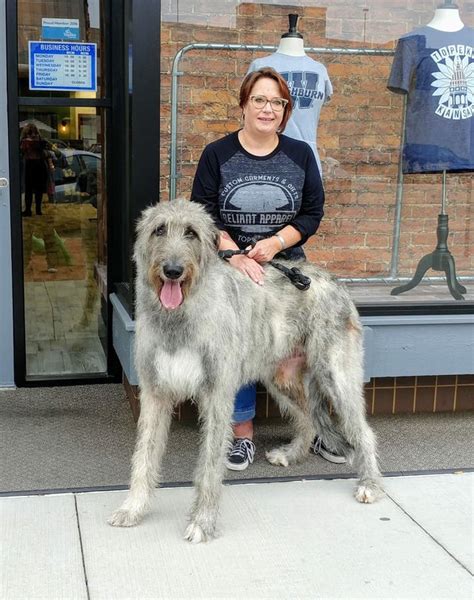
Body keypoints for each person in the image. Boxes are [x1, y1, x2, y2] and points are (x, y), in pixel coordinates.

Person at [191, 67, 346, 471]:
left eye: (277, 102)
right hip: (230, 274)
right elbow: (202, 215)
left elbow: (313, 213)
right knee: (234, 351)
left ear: (285, 110)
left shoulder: (300, 154)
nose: (268, 108)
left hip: (287, 275)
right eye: (259, 99)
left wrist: (275, 244)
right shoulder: (217, 154)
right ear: (243, 104)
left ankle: (318, 430)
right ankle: (239, 436)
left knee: (305, 355)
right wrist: (234, 256)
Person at [20, 123, 52, 217]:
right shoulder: (27, 142)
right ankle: (32, 210)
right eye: (31, 133)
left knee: (35, 189)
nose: (33, 136)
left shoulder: (40, 142)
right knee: (31, 189)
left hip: (36, 164)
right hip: (33, 164)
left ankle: (34, 210)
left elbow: (48, 151)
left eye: (35, 133)